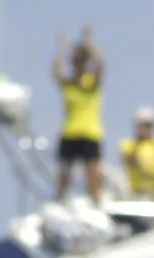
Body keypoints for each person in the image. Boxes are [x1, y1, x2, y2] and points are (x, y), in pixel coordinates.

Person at [52, 24, 105, 203]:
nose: (79, 65)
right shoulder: (68, 84)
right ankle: (59, 201)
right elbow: (56, 70)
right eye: (76, 61)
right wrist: (63, 48)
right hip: (69, 132)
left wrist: (89, 43)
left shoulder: (91, 83)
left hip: (90, 133)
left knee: (92, 175)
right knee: (64, 173)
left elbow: (100, 64)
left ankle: (96, 202)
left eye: (82, 61)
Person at [119, 105, 154, 199]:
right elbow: (130, 161)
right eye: (142, 125)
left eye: (148, 125)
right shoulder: (128, 144)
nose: (145, 128)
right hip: (138, 192)